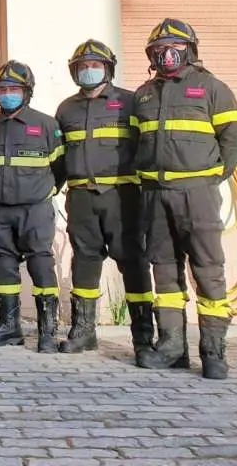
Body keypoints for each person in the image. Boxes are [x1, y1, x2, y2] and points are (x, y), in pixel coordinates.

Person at [133, 18, 237, 379]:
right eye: (159, 48)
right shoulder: (145, 94)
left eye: (174, 46)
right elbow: (137, 142)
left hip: (197, 194)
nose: (167, 53)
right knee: (164, 270)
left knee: (208, 270)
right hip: (155, 194)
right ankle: (171, 348)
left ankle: (213, 352)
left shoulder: (212, 88)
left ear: (189, 49)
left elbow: (233, 138)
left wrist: (213, 176)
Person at [55, 40, 154, 360]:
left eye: (95, 66)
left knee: (134, 263)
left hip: (122, 196)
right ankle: (84, 332)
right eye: (82, 67)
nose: (88, 71)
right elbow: (59, 156)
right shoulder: (66, 109)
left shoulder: (130, 102)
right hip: (81, 197)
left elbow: (147, 146)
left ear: (108, 69)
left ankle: (142, 337)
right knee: (84, 261)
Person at [0, 60, 66, 353]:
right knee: (3, 265)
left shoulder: (47, 124)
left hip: (35, 210)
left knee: (41, 265)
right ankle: (8, 327)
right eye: (2, 89)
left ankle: (48, 332)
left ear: (27, 92)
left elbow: (61, 166)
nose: (7, 93)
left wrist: (47, 191)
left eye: (13, 88)